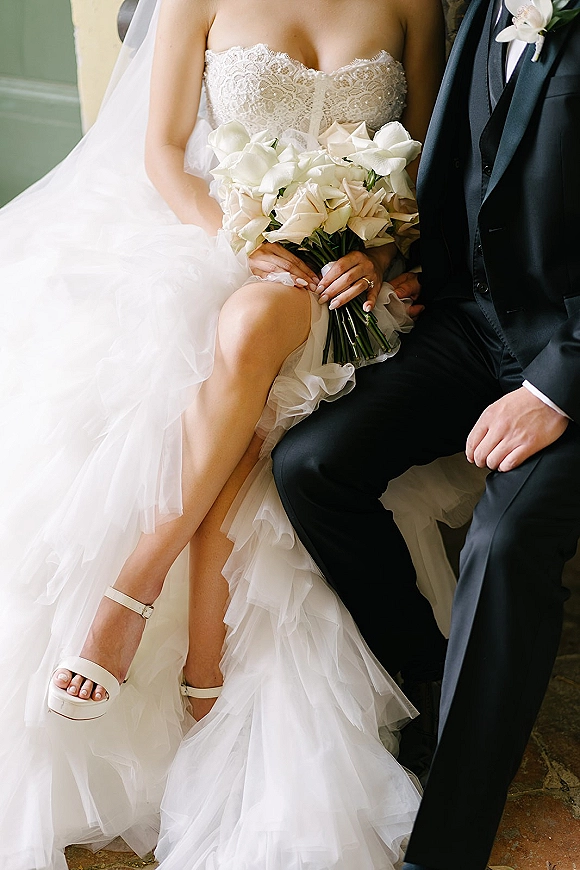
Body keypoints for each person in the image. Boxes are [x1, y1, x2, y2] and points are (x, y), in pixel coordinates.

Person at [0, 1, 452, 867]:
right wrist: (243, 239)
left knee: (249, 353)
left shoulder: (411, 3)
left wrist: (386, 257)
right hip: (235, 247)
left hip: (359, 286)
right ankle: (173, 624)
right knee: (238, 336)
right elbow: (165, 152)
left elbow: (433, 159)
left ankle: (134, 609)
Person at [273, 0, 580, 868]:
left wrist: (556, 390)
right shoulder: (485, 2)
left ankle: (441, 851)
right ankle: (443, 688)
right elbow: (461, 160)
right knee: (312, 465)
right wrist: (397, 265)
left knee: (507, 538)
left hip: (570, 353)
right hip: (479, 322)